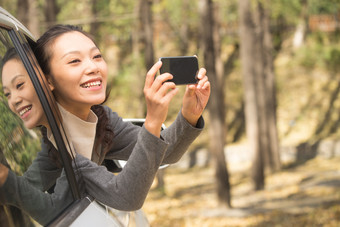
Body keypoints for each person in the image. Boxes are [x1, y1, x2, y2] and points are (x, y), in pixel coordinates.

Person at [0, 25, 210, 225]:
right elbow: (127, 196)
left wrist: (189, 115)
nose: (93, 67)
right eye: (74, 61)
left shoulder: (102, 120)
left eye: (97, 56)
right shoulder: (65, 150)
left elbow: (165, 151)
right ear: (48, 81)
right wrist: (153, 119)